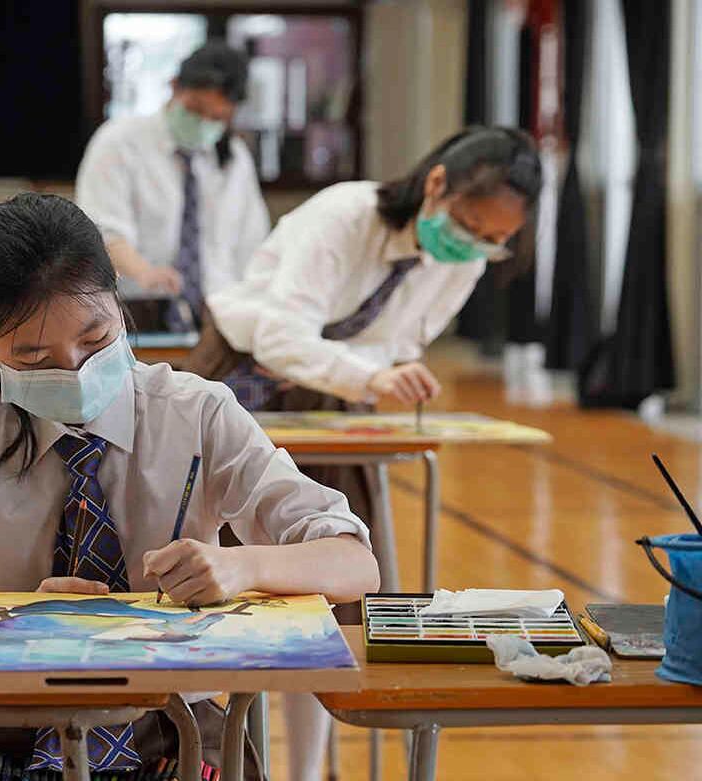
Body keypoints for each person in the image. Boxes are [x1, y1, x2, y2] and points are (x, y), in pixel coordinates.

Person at [0, 193, 379, 780]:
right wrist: (26, 622)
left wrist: (243, 567)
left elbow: (353, 564)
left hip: (174, 725)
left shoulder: (196, 415)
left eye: (95, 340)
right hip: (2, 723)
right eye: (34, 358)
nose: (74, 370)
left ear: (117, 295)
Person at [185, 126, 542, 781]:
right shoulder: (343, 215)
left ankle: (310, 770)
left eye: (493, 239)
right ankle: (229, 757)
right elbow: (279, 336)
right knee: (235, 583)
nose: (474, 245)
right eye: (468, 224)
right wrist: (370, 374)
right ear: (436, 184)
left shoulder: (463, 259)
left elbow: (403, 338)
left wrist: (398, 371)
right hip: (244, 375)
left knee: (339, 589)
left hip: (338, 398)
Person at [75, 41, 269, 333]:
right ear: (175, 86)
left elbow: (252, 244)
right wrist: (145, 273)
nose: (204, 122)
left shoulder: (234, 158)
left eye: (217, 117)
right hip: (138, 312)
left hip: (217, 318)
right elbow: (101, 232)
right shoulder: (120, 142)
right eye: (195, 109)